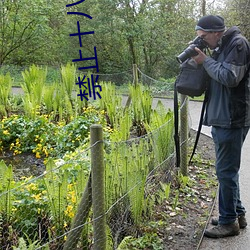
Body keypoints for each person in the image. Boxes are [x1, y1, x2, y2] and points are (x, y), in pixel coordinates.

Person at [192, 15, 250, 238]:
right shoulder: (221, 46)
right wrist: (202, 59)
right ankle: (237, 214)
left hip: (232, 118)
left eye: (204, 37)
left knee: (225, 171)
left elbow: (229, 77)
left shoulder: (238, 44)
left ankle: (228, 223)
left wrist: (205, 61)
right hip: (222, 117)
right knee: (227, 171)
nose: (203, 41)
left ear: (216, 32)